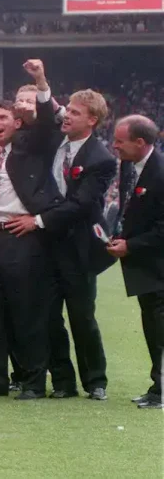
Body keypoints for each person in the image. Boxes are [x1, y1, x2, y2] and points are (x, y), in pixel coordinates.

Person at [25, 59, 114, 401]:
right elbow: (50, 107)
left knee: (81, 316)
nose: (67, 116)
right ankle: (62, 381)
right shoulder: (56, 139)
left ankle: (96, 381)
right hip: (47, 246)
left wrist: (40, 221)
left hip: (77, 248)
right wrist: (41, 78)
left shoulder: (101, 159)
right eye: (68, 110)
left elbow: (82, 206)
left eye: (75, 113)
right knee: (48, 316)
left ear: (91, 119)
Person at [0, 99, 61, 400]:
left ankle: (34, 381)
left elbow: (49, 128)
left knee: (27, 311)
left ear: (18, 123)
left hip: (20, 235)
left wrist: (41, 83)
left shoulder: (30, 150)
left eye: (3, 118)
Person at [108, 115, 164, 409]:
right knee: (153, 326)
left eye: (120, 141)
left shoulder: (160, 172)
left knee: (160, 327)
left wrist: (132, 245)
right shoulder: (131, 166)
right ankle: (158, 388)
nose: (115, 146)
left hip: (158, 266)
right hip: (145, 267)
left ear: (140, 143)